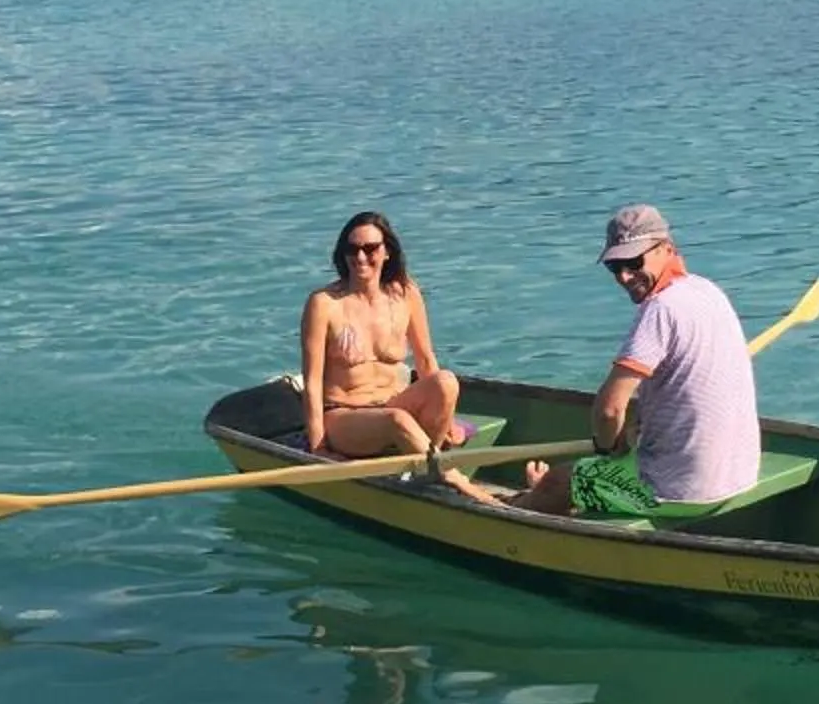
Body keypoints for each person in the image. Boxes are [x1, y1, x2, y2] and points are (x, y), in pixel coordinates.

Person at [508, 204, 760, 522]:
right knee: (584, 471)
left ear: (667, 249)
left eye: (634, 262)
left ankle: (518, 506)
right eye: (614, 266)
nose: (625, 276)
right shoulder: (707, 291)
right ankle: (555, 493)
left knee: (559, 481)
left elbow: (609, 409)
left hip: (676, 490)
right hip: (740, 474)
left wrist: (606, 450)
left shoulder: (660, 309)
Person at [299, 212, 472, 473]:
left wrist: (447, 422)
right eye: (352, 249)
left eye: (370, 248)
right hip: (345, 416)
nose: (360, 257)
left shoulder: (406, 293)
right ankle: (451, 478)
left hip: (392, 404)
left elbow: (425, 361)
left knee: (446, 381)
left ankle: (424, 467)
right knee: (397, 419)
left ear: (387, 252)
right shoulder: (324, 304)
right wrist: (318, 446)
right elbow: (312, 382)